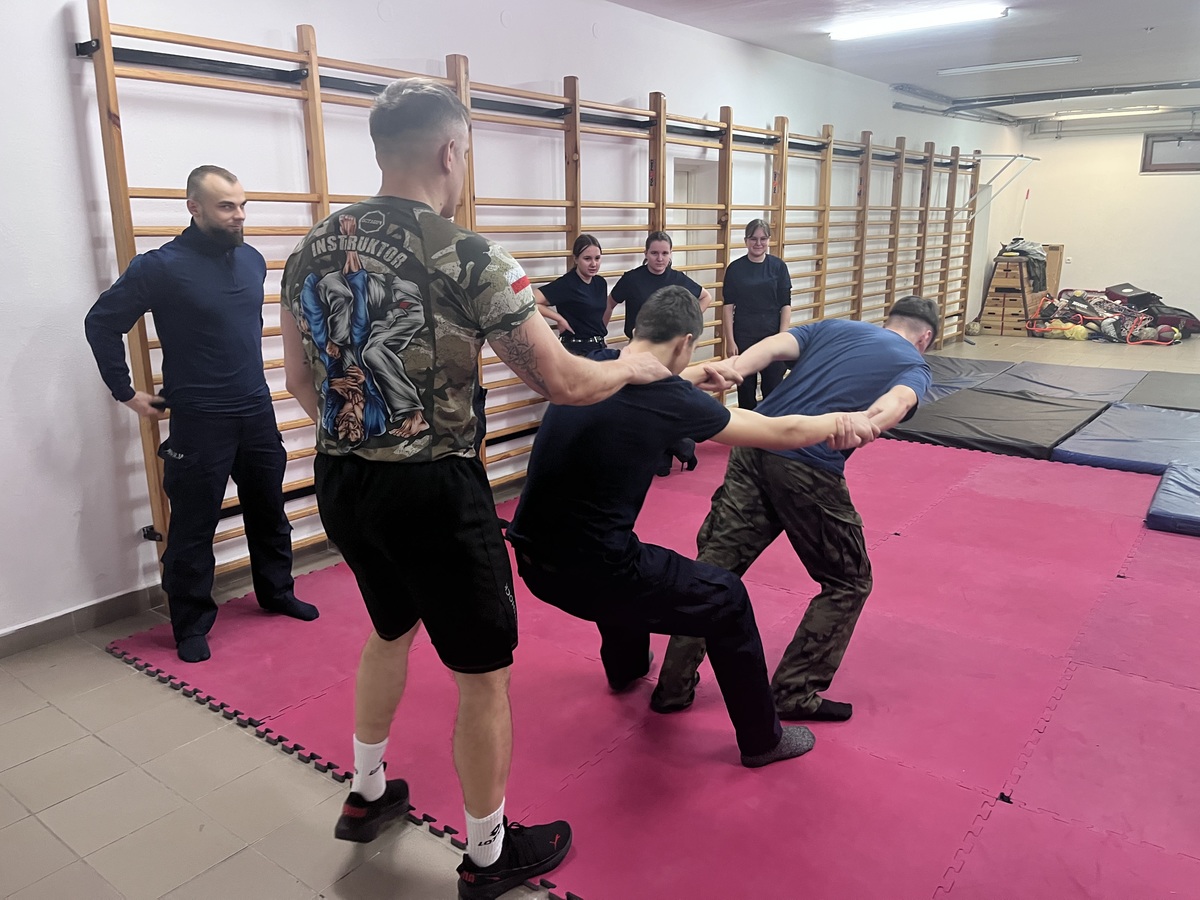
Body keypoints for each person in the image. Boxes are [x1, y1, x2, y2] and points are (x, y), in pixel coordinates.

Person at [279, 78, 672, 900]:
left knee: (390, 627)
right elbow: (564, 381)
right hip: (433, 494)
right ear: (451, 150)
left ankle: (367, 792)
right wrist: (635, 364)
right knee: (483, 674)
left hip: (342, 479)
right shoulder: (468, 255)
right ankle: (490, 856)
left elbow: (302, 383)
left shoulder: (310, 248)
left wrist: (368, 437)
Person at [507, 286, 878, 768]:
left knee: (626, 560)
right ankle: (763, 741)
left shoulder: (591, 368)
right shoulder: (668, 399)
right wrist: (841, 422)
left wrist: (694, 376)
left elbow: (651, 390)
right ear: (685, 341)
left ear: (638, 329)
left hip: (532, 563)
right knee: (725, 597)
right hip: (592, 575)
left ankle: (626, 669)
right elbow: (778, 432)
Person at [652, 296, 938, 723]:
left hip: (753, 444)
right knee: (848, 582)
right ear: (925, 337)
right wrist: (869, 425)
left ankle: (672, 687)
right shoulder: (915, 365)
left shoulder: (836, 327)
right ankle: (794, 691)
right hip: (807, 466)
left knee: (715, 569)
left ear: (888, 320)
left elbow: (773, 346)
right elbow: (897, 402)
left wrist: (735, 368)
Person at [84, 165, 318, 665]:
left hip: (255, 410)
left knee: (269, 512)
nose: (239, 216)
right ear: (194, 207)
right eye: (226, 206)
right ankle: (190, 624)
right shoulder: (160, 267)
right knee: (193, 528)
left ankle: (276, 592)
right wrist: (124, 392)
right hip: (198, 419)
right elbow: (101, 322)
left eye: (242, 205)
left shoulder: (252, 260)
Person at [610, 232, 714, 474]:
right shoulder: (632, 279)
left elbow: (705, 297)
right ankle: (678, 447)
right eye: (654, 253)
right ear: (645, 254)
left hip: (668, 351)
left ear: (670, 255)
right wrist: (599, 330)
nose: (659, 258)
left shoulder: (677, 279)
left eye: (664, 253)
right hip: (638, 349)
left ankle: (672, 449)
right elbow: (610, 302)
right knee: (642, 403)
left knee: (664, 400)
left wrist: (687, 323)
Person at [721, 219, 792, 411]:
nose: (758, 243)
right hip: (744, 335)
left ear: (769, 240)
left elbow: (786, 305)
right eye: (753, 238)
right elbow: (728, 307)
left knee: (773, 389)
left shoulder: (778, 267)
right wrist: (730, 341)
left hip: (772, 335)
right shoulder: (735, 269)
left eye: (763, 238)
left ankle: (771, 428)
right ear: (746, 241)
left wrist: (782, 337)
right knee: (745, 390)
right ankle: (747, 429)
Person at [533, 234, 609, 356]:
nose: (593, 264)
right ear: (576, 259)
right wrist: (559, 318)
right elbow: (530, 301)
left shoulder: (600, 283)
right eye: (587, 259)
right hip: (576, 350)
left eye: (597, 258)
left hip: (598, 347)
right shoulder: (567, 284)